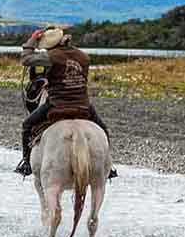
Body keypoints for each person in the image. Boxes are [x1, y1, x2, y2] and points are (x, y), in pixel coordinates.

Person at [13, 27, 112, 180]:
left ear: (51, 45)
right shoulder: (84, 56)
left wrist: (32, 40)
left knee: (27, 125)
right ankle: (109, 166)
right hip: (83, 104)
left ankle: (26, 163)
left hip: (57, 104)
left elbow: (26, 59)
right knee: (103, 129)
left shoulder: (52, 56)